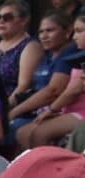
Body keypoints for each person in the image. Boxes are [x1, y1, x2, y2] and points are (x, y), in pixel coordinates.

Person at [9, 11, 79, 142]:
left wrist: (13, 112)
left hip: (53, 113)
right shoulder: (47, 56)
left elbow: (53, 91)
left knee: (6, 131)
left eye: (50, 30)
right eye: (41, 32)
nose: (44, 36)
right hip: (32, 113)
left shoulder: (70, 52)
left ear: (68, 31)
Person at [0, 1, 43, 106]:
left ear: (24, 20)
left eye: (8, 17)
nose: (1, 21)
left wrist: (2, 109)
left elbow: (23, 86)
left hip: (7, 105)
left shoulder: (30, 46)